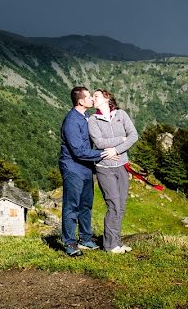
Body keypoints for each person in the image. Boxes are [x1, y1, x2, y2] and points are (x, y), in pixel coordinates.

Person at [59, 86, 115, 256]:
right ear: (81, 101)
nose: (92, 99)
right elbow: (78, 151)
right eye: (89, 97)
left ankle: (85, 238)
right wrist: (104, 153)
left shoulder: (86, 117)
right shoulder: (71, 121)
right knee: (72, 205)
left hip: (85, 168)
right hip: (73, 168)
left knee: (85, 204)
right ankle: (70, 243)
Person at [89, 89, 139, 253]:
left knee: (121, 206)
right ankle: (110, 245)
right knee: (114, 205)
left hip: (122, 166)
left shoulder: (121, 115)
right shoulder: (93, 120)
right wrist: (121, 140)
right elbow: (99, 142)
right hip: (104, 168)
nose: (92, 98)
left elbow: (134, 136)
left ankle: (117, 242)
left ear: (106, 97)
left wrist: (116, 150)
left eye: (95, 96)